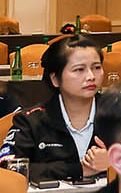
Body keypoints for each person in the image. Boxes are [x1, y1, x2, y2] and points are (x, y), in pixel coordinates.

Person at [2, 37, 109, 180]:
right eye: (79, 69)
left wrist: (115, 162)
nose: (91, 76)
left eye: (96, 67)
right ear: (55, 79)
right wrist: (79, 170)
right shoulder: (31, 120)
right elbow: (7, 167)